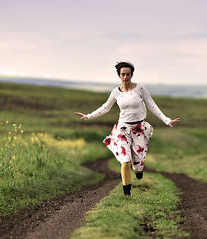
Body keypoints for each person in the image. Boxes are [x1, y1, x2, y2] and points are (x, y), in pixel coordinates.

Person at [74, 61, 180, 196]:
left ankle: (139, 170)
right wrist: (88, 116)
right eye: (123, 74)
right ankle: (127, 193)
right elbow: (105, 107)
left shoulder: (140, 88)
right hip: (122, 129)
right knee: (125, 161)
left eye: (128, 74)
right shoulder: (115, 92)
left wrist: (166, 120)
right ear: (119, 75)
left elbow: (152, 105)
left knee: (138, 163)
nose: (125, 77)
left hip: (139, 129)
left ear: (131, 75)